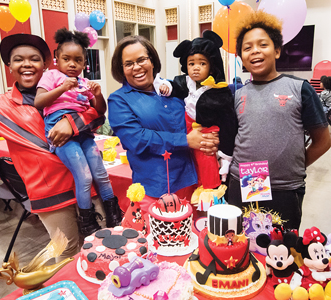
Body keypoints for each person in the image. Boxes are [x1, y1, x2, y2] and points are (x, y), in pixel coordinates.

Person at [0, 34, 85, 261]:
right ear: (9, 66)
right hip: (50, 193)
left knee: (101, 244)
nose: (27, 64)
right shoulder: (0, 107)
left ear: (45, 64)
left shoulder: (68, 90)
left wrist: (72, 123)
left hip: (86, 182)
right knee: (67, 253)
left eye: (34, 59)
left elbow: (95, 113)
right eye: (19, 59)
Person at [227, 11, 331, 230]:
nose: (254, 50)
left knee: (281, 251)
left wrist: (295, 165)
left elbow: (323, 139)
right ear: (242, 57)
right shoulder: (237, 95)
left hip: (285, 188)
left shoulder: (299, 88)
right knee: (241, 246)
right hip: (243, 182)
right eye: (247, 47)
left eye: (262, 45)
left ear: (276, 50)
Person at [108, 35, 219, 214]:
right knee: (159, 240)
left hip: (193, 182)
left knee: (194, 237)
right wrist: (185, 140)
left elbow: (199, 114)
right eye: (128, 64)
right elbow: (136, 139)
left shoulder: (175, 88)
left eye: (141, 60)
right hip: (154, 189)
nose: (136, 67)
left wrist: (210, 137)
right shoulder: (119, 100)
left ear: (152, 61)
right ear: (121, 69)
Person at [34, 28, 121, 236]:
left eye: (78, 60)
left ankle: (114, 215)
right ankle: (87, 223)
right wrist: (62, 88)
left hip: (83, 131)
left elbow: (99, 111)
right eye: (66, 58)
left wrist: (98, 95)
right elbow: (38, 102)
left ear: (84, 63)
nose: (72, 64)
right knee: (84, 176)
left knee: (101, 174)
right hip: (60, 130)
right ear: (56, 58)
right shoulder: (52, 76)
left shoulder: (83, 83)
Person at [156, 31, 237, 192]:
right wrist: (167, 87)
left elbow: (229, 122)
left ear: (212, 65)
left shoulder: (220, 90)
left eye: (202, 63)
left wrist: (226, 154)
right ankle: (194, 186)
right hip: (186, 127)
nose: (195, 68)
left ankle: (209, 189)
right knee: (187, 160)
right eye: (191, 63)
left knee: (206, 158)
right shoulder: (186, 82)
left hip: (207, 130)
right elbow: (174, 85)